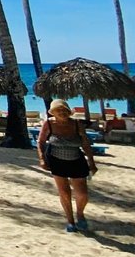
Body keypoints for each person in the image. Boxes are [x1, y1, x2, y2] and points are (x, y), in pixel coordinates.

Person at [37, 99, 98, 233]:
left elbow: (85, 143)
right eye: (59, 110)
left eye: (65, 110)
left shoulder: (76, 124)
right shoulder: (49, 124)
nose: (62, 113)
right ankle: (70, 221)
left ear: (69, 112)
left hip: (76, 160)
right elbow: (41, 142)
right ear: (53, 112)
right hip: (56, 160)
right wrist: (42, 159)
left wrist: (91, 163)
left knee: (82, 194)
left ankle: (80, 214)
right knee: (64, 192)